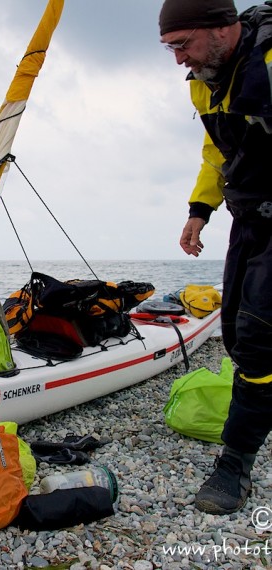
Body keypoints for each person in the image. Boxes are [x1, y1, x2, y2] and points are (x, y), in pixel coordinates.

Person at [159, 0, 272, 515]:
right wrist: (199, 209)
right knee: (234, 332)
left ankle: (234, 466)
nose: (179, 59)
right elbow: (218, 151)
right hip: (251, 220)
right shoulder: (205, 82)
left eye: (183, 44)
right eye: (170, 48)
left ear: (223, 28)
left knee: (256, 337)